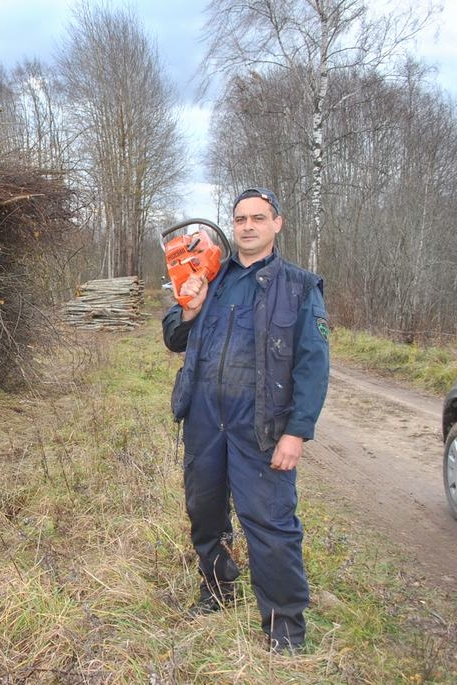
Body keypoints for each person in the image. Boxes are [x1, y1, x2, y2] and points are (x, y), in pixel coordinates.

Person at [162, 187, 330, 654]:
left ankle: (285, 628)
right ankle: (217, 588)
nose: (248, 226)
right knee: (205, 514)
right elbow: (174, 338)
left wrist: (296, 431)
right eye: (240, 219)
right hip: (204, 420)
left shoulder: (299, 287)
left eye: (259, 217)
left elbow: (312, 366)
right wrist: (188, 308)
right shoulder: (210, 278)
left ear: (277, 224)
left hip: (261, 427)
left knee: (271, 524)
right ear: (232, 227)